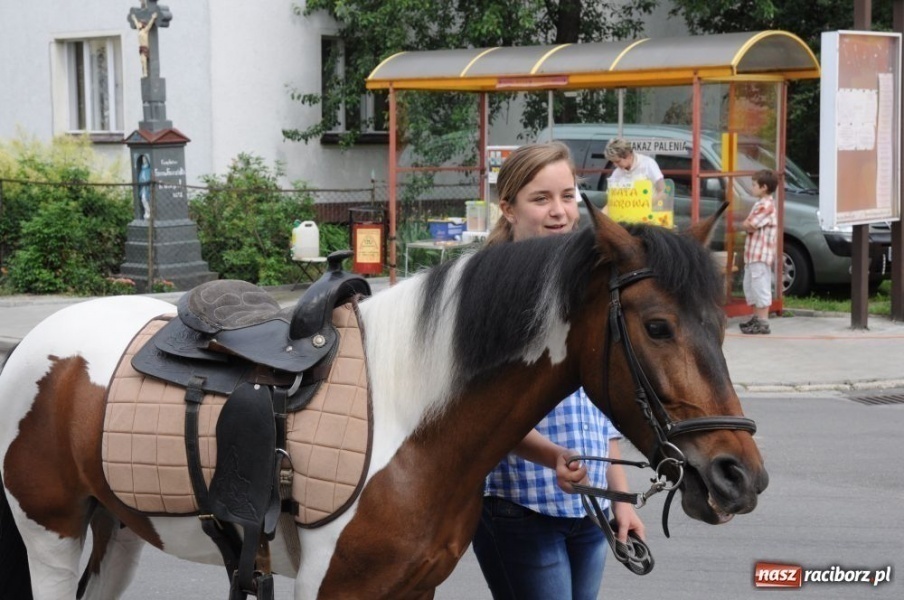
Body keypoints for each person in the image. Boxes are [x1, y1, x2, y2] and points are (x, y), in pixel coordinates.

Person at [474, 142, 646, 600]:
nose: (559, 212)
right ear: (507, 208)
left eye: (568, 196)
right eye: (541, 199)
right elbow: (484, 416)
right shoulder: (489, 294)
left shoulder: (585, 283)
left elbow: (600, 405)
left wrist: (620, 497)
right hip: (519, 507)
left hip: (590, 509)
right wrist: (553, 458)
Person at [739, 169, 779, 335]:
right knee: (752, 286)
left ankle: (763, 321)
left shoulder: (766, 206)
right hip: (752, 255)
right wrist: (746, 223)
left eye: (754, 184)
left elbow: (750, 224)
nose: (752, 187)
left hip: (760, 255)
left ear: (764, 187)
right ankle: (756, 318)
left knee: (760, 286)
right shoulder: (760, 204)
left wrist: (746, 224)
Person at [604, 137, 666, 207]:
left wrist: (644, 206)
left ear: (628, 155)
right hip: (624, 215)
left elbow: (663, 192)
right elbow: (611, 202)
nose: (615, 165)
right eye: (613, 162)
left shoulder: (648, 164)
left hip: (649, 215)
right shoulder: (616, 173)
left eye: (618, 161)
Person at [131, 11, 158, 78]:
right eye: (139, 23)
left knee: (144, 60)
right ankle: (144, 72)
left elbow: (149, 25)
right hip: (141, 48)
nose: (139, 24)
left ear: (142, 24)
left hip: (145, 47)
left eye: (140, 23)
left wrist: (153, 18)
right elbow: (136, 23)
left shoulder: (145, 30)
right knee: (142, 61)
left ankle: (145, 73)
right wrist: (134, 18)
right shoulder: (139, 30)